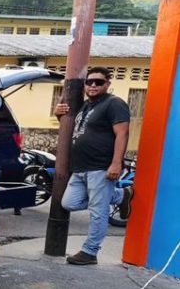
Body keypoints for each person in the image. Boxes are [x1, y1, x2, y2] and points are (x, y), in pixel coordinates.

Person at [54, 66, 133, 265]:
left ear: (108, 83)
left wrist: (116, 163)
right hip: (80, 167)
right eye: (89, 82)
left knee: (98, 212)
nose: (93, 85)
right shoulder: (86, 106)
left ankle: (90, 252)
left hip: (100, 167)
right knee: (69, 203)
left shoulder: (114, 104)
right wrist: (58, 114)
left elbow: (122, 134)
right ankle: (120, 196)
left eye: (99, 82)